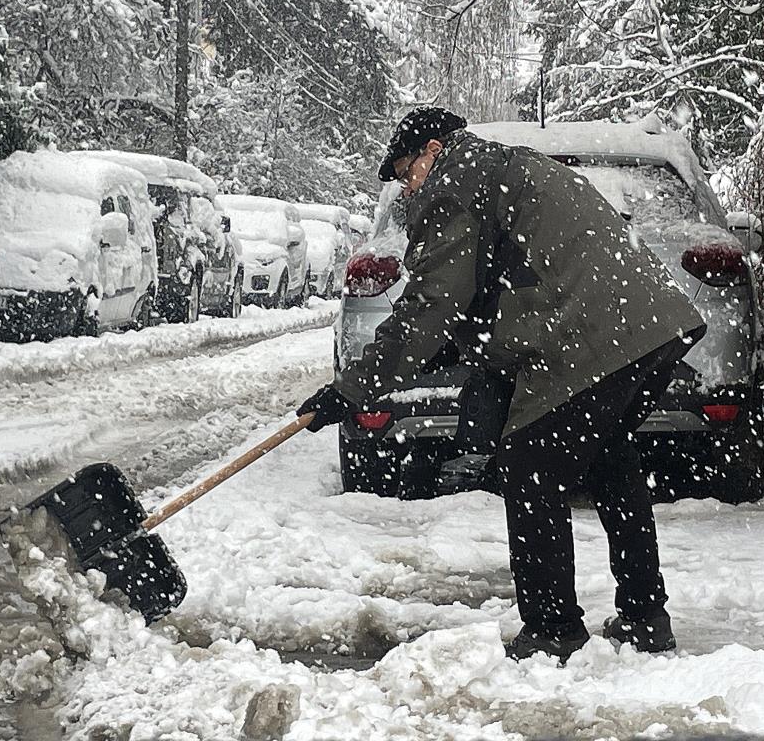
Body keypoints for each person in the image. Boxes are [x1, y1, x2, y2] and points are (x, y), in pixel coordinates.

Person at [298, 106, 707, 662]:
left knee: (529, 464)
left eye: (405, 171)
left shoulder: (456, 184)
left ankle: (552, 630)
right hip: (651, 326)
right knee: (612, 459)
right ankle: (644, 615)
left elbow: (432, 303)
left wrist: (353, 388)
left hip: (589, 337)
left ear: (434, 151)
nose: (404, 186)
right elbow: (488, 289)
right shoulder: (505, 167)